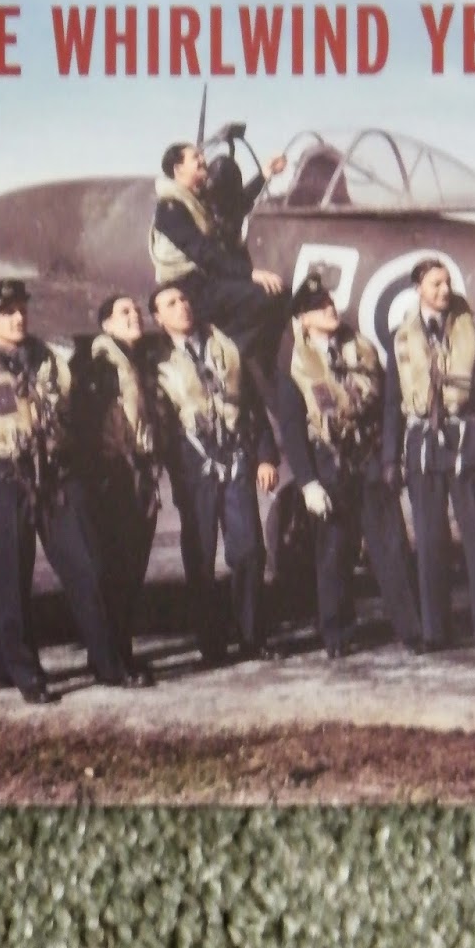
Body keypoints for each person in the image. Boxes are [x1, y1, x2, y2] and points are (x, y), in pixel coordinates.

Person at [0, 278, 147, 703]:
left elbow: (73, 417)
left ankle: (108, 662)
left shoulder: (50, 361)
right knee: (11, 581)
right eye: (7, 313)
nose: (18, 318)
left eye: (21, 310)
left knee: (88, 568)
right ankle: (28, 675)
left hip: (56, 475)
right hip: (5, 477)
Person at [277, 273, 424, 658]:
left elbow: (387, 404)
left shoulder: (363, 350)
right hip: (329, 463)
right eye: (317, 307)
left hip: (369, 458)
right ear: (302, 319)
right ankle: (337, 633)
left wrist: (390, 456)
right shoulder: (294, 365)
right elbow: (292, 428)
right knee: (333, 552)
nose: (329, 309)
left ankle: (412, 628)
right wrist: (307, 483)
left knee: (391, 545)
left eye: (329, 302)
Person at [151, 279, 280, 665]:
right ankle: (211, 645)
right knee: (200, 557)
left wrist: (266, 456)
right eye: (171, 303)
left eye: (184, 298)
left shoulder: (226, 348)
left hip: (237, 459)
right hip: (194, 470)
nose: (182, 306)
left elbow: (250, 404)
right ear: (158, 318)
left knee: (249, 550)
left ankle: (252, 637)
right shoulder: (154, 361)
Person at [383, 259, 475, 650]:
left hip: (467, 440)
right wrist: (390, 458)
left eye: (448, 282)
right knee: (429, 539)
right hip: (422, 447)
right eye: (435, 283)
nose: (444, 289)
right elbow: (392, 401)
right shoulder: (400, 338)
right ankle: (435, 631)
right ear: (418, 288)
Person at [75, 292, 162, 679]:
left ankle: (117, 653)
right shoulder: (100, 368)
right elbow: (87, 428)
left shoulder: (139, 362)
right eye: (124, 312)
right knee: (115, 571)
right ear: (106, 325)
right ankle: (110, 661)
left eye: (137, 310)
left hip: (140, 474)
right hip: (114, 478)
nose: (135, 316)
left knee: (131, 570)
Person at [149, 141, 287, 379]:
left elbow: (235, 207)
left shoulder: (194, 199)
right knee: (264, 296)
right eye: (195, 157)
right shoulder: (170, 208)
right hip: (187, 287)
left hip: (204, 280)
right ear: (178, 169)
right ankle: (228, 356)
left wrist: (265, 174)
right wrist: (249, 273)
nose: (202, 160)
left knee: (276, 294)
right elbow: (203, 252)